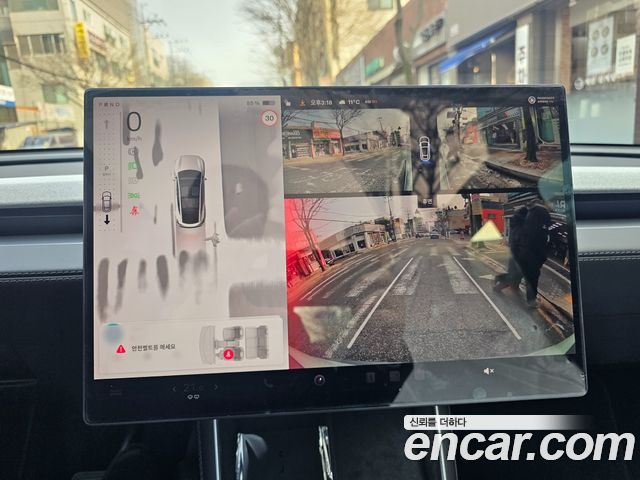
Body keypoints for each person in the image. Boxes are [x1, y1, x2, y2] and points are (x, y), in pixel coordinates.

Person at [519, 203, 552, 308]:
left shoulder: (529, 218)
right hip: (532, 256)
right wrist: (542, 257)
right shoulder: (541, 219)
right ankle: (531, 301)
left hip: (523, 252)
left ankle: (503, 281)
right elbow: (541, 243)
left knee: (523, 273)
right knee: (533, 277)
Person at [494, 206, 528, 292]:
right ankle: (498, 283)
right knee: (515, 275)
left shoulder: (516, 224)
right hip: (518, 254)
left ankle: (513, 286)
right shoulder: (521, 226)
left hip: (516, 253)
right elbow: (519, 240)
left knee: (516, 274)